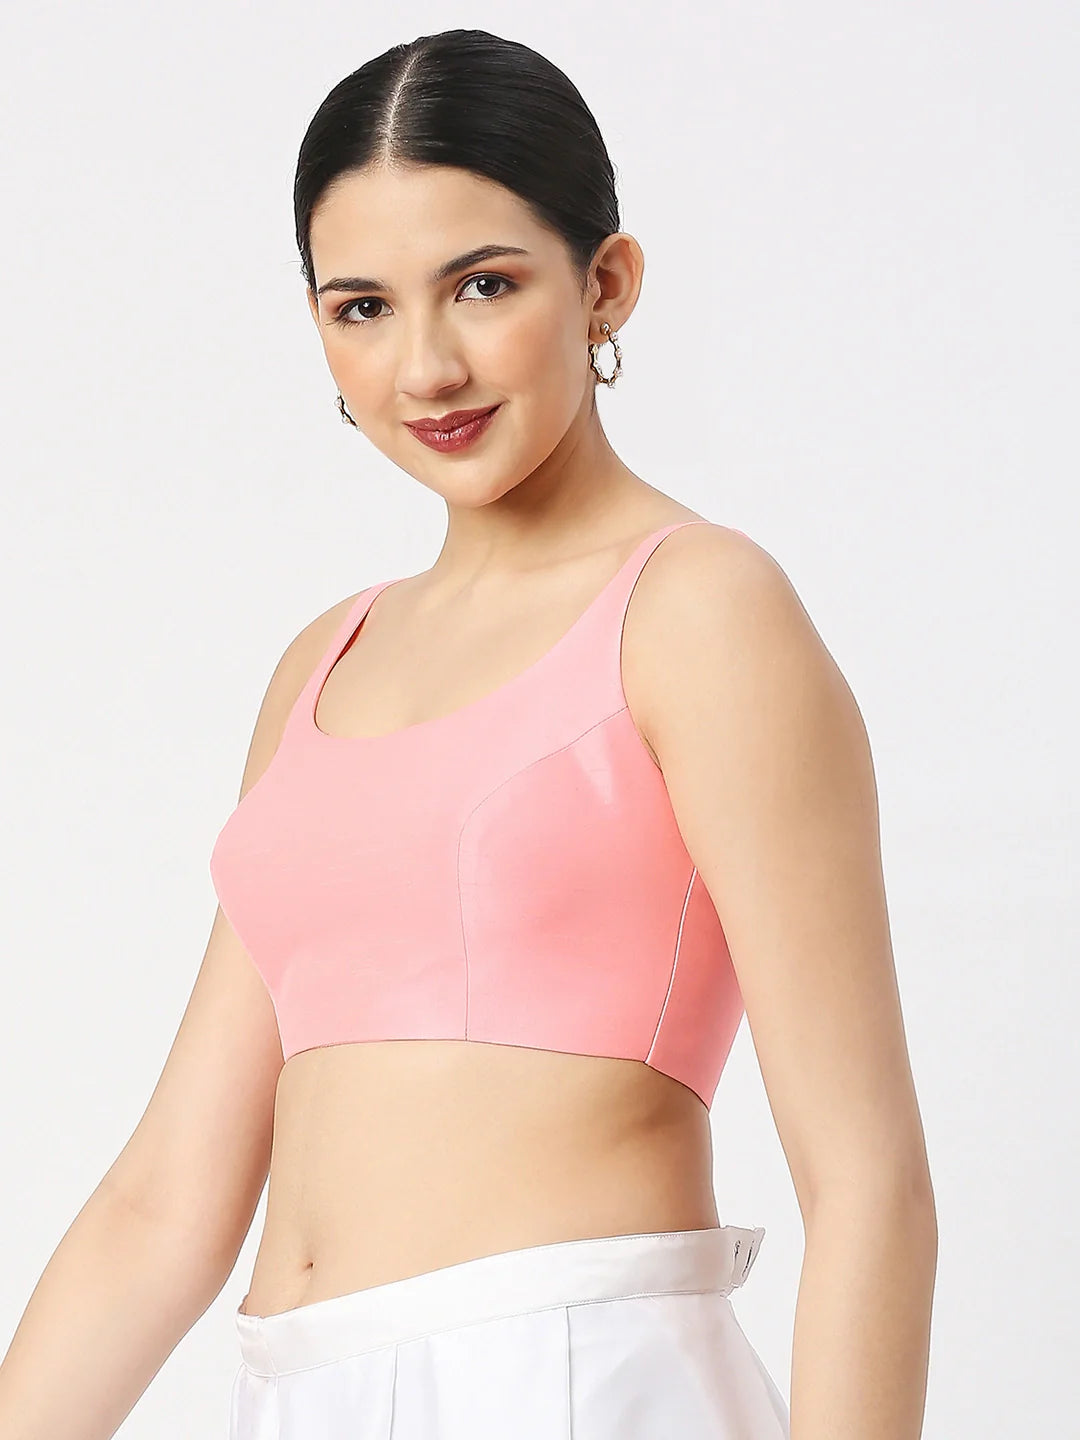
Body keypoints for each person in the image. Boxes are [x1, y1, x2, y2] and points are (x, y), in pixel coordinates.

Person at [0, 27, 938, 1440]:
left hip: (568, 1378)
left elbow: (868, 1182)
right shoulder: (324, 662)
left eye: (483, 285)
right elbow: (164, 1203)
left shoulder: (696, 611)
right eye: (362, 307)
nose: (426, 366)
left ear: (604, 284)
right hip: (298, 1392)